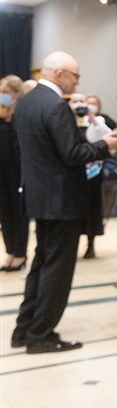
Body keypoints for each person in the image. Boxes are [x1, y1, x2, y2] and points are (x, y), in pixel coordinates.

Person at [10, 52, 117, 354]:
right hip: (62, 201)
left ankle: (24, 329)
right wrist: (105, 145)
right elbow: (73, 155)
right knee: (57, 271)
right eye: (75, 76)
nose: (77, 82)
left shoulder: (26, 102)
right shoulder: (55, 106)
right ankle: (41, 335)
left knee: (41, 264)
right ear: (59, 74)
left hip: (39, 197)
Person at [67, 93, 107, 259]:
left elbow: (104, 134)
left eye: (82, 102)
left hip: (92, 173)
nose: (79, 105)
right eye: (74, 102)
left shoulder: (97, 120)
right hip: (72, 174)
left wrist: (90, 115)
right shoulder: (64, 121)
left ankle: (91, 244)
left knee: (92, 208)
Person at [0, 75, 28, 272]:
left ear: (16, 94)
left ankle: (20, 253)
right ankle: (10, 250)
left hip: (18, 171)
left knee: (19, 213)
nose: (1, 95)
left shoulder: (22, 115)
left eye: (5, 92)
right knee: (5, 212)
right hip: (2, 171)